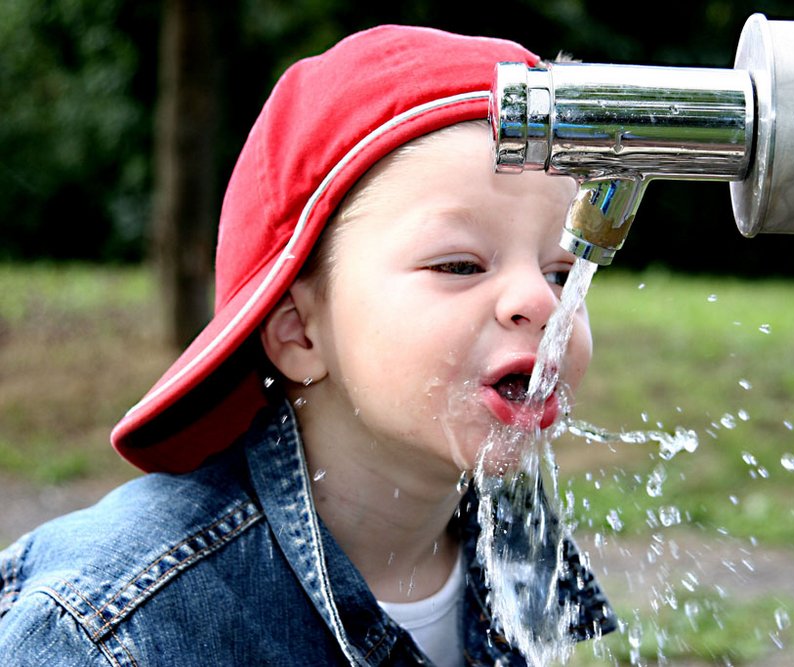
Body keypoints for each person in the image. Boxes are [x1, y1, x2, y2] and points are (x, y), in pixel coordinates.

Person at [0, 24, 615, 666]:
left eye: (564, 273)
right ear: (298, 330)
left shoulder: (518, 548)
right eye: (460, 265)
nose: (543, 303)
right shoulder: (113, 630)